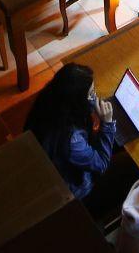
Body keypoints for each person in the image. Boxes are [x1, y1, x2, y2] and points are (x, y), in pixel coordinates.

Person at [24, 65, 126, 204]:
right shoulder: (72, 140)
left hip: (49, 166)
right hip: (73, 188)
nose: (94, 97)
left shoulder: (51, 99)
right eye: (90, 94)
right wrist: (107, 124)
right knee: (125, 168)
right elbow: (101, 165)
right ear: (76, 100)